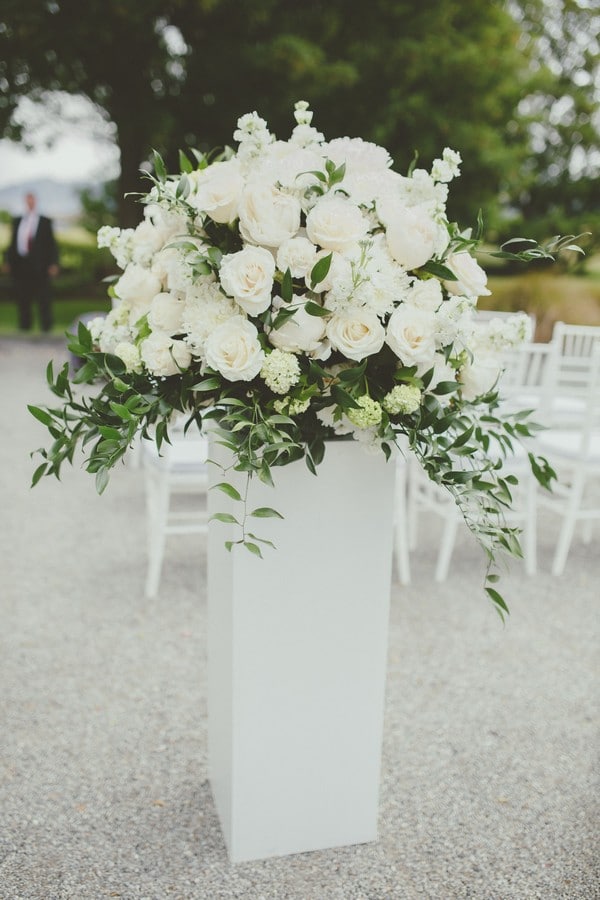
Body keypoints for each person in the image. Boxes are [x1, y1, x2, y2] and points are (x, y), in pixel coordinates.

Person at [4, 192, 59, 332]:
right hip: (21, 265)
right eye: (27, 200)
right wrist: (8, 261)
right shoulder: (18, 221)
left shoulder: (44, 221)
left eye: (32, 200)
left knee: (43, 297)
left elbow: (52, 244)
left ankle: (46, 326)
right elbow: (12, 243)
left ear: (35, 201)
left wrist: (53, 263)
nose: (30, 203)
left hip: (40, 266)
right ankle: (24, 325)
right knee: (23, 297)